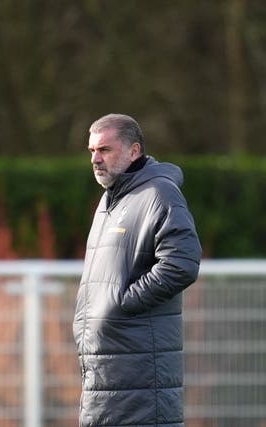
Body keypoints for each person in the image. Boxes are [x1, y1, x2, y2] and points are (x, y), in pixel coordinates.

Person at [73, 113, 201, 426]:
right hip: (104, 377)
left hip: (140, 381)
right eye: (92, 151)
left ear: (134, 151)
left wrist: (123, 304)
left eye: (104, 150)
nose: (96, 159)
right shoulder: (108, 202)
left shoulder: (159, 193)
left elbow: (181, 262)